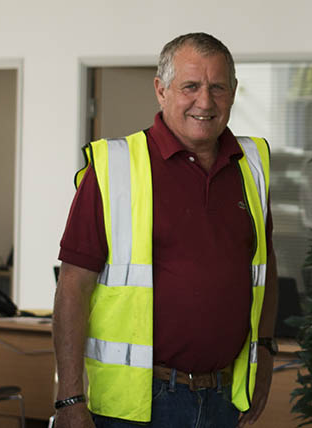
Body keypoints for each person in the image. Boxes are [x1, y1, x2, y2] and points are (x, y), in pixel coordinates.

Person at [52, 32, 278, 428]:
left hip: (224, 398)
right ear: (161, 90)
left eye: (217, 88)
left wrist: (265, 350)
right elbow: (73, 286)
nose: (204, 102)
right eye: (190, 86)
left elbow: (264, 264)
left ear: (234, 92)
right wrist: (69, 397)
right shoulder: (114, 167)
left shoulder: (251, 165)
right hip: (137, 407)